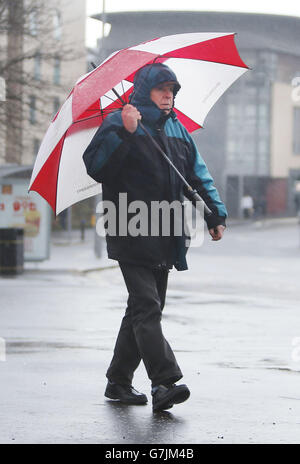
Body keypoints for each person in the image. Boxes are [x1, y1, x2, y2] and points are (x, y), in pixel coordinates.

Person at [83, 63, 227, 412]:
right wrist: (125, 133)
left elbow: (197, 174)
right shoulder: (120, 121)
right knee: (147, 307)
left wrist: (215, 213)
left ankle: (118, 381)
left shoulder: (178, 129)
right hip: (129, 228)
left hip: (166, 232)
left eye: (173, 90)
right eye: (162, 89)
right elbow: (96, 167)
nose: (169, 95)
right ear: (145, 89)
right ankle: (165, 382)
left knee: (143, 309)